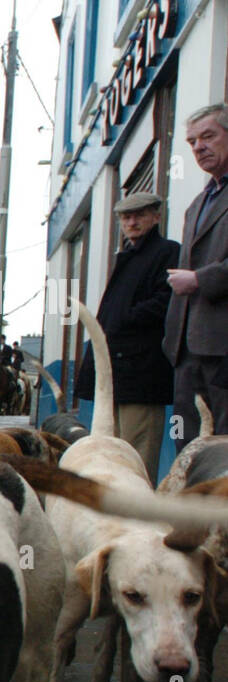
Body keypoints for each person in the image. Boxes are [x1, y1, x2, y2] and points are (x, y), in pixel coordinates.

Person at [75, 192, 179, 482]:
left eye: (139, 215)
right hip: (119, 370)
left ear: (156, 217)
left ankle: (140, 519)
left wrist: (123, 319)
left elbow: (167, 301)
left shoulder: (167, 251)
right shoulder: (128, 256)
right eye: (126, 217)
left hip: (142, 372)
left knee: (138, 454)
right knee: (113, 450)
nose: (131, 222)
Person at [165, 103, 228, 449]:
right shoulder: (197, 203)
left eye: (208, 136)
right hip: (186, 353)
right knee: (185, 445)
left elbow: (198, 275)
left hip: (222, 351)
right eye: (191, 141)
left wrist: (200, 280)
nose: (199, 147)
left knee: (220, 449)